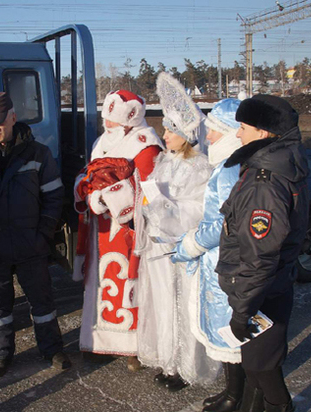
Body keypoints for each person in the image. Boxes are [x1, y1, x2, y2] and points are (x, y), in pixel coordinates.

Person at [0, 92, 69, 378]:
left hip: (29, 244)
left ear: (13, 118)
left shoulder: (38, 153)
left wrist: (41, 235)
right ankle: (1, 355)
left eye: (0, 122)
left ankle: (52, 349)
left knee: (42, 302)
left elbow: (54, 198)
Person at [215, 94, 309, 412]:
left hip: (261, 294)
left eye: (243, 127)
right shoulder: (269, 166)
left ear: (264, 132)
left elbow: (260, 258)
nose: (238, 134)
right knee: (260, 362)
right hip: (266, 288)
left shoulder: (264, 183)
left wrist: (242, 312)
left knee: (261, 367)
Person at [135, 72, 218, 391]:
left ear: (185, 134)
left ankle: (185, 367)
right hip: (158, 250)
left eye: (170, 130)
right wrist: (146, 200)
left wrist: (160, 205)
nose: (164, 135)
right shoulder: (164, 162)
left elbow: (195, 212)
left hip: (182, 251)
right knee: (163, 306)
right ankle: (168, 361)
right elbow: (154, 197)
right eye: (165, 129)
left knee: (184, 308)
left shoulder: (200, 168)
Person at [73, 90, 162, 370]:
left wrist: (111, 197)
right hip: (99, 230)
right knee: (100, 283)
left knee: (129, 285)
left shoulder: (147, 143)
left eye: (112, 120)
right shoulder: (102, 141)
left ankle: (134, 347)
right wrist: (88, 190)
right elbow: (89, 172)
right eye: (105, 118)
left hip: (129, 229)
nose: (106, 124)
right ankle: (99, 342)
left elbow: (150, 189)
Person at [171, 98, 244, 411]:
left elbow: (223, 223)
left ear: (228, 131)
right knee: (228, 330)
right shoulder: (226, 164)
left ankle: (237, 396)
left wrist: (191, 245)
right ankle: (234, 392)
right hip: (221, 258)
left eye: (214, 130)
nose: (209, 136)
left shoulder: (229, 169)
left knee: (232, 332)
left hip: (225, 260)